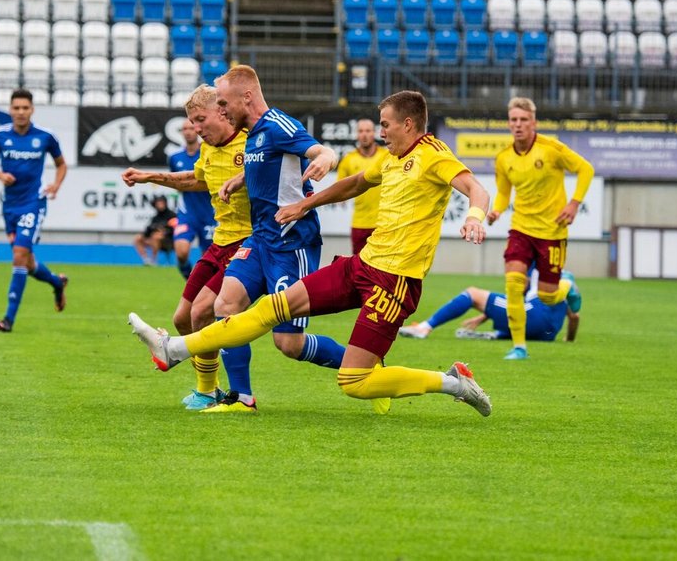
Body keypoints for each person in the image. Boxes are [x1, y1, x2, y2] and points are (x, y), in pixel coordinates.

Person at [129, 90, 494, 417]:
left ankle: (454, 383)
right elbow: (354, 183)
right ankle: (174, 348)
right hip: (360, 266)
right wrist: (307, 203)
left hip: (395, 282)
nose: (381, 133)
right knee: (271, 308)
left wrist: (475, 217)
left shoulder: (433, 155)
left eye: (385, 125)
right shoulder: (393, 158)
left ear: (409, 123)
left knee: (355, 382)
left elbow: (475, 188)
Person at [166, 64, 346, 413]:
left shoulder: (278, 125)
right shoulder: (251, 134)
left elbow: (318, 150)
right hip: (259, 239)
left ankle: (363, 365)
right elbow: (267, 168)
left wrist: (326, 159)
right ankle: (241, 397)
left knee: (288, 343)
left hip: (292, 243)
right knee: (224, 306)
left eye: (223, 103)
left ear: (245, 97)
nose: (220, 110)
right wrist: (240, 180)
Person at [122, 84, 251, 411]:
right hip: (221, 241)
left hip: (247, 241)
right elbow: (197, 180)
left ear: (221, 112)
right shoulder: (208, 148)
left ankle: (217, 391)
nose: (195, 128)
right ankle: (209, 389)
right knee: (183, 317)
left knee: (201, 312)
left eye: (199, 119)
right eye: (191, 122)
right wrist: (150, 177)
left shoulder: (249, 139)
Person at [488, 97, 595, 360]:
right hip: (521, 229)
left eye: (524, 120)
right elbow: (503, 193)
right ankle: (519, 347)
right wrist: (497, 210)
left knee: (548, 297)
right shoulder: (503, 158)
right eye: (514, 120)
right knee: (513, 283)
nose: (518, 125)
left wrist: (574, 203)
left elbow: (585, 169)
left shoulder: (551, 148)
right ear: (508, 123)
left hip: (552, 231)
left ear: (534, 122)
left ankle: (567, 287)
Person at [0, 88, 68, 333]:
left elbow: (61, 165)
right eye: (16, 108)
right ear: (10, 110)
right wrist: (0, 174)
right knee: (28, 263)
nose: (20, 112)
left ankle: (8, 319)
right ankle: (57, 282)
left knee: (19, 255)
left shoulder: (45, 137)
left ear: (32, 110)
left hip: (34, 202)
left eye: (25, 108)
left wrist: (56, 185)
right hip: (9, 206)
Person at [398, 270, 582, 342]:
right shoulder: (565, 277)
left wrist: (486, 311)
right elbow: (575, 316)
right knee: (520, 319)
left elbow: (517, 294)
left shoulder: (534, 262)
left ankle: (425, 327)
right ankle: (497, 334)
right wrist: (569, 340)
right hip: (547, 334)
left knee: (472, 293)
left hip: (532, 315)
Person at [168, 118, 217, 278]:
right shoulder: (175, 157)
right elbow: (175, 182)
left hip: (209, 212)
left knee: (208, 258)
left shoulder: (208, 153)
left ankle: (202, 289)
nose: (188, 132)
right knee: (181, 252)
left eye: (191, 128)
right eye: (185, 129)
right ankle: (189, 280)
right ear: (182, 133)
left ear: (197, 130)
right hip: (187, 213)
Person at [335, 117, 390, 255]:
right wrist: (341, 198)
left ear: (374, 133)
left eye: (368, 131)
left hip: (384, 223)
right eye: (361, 131)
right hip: (359, 223)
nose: (364, 134)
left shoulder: (387, 156)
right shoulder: (348, 159)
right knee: (358, 267)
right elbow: (339, 188)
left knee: (383, 269)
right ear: (356, 134)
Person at [133, 195, 176, 266]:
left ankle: (154, 260)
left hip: (170, 242)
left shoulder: (172, 215)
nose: (160, 205)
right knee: (138, 238)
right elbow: (147, 233)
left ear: (165, 203)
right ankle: (147, 260)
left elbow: (175, 230)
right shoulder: (155, 218)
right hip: (154, 241)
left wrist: (164, 231)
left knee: (155, 236)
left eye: (161, 203)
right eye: (158, 203)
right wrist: (153, 228)